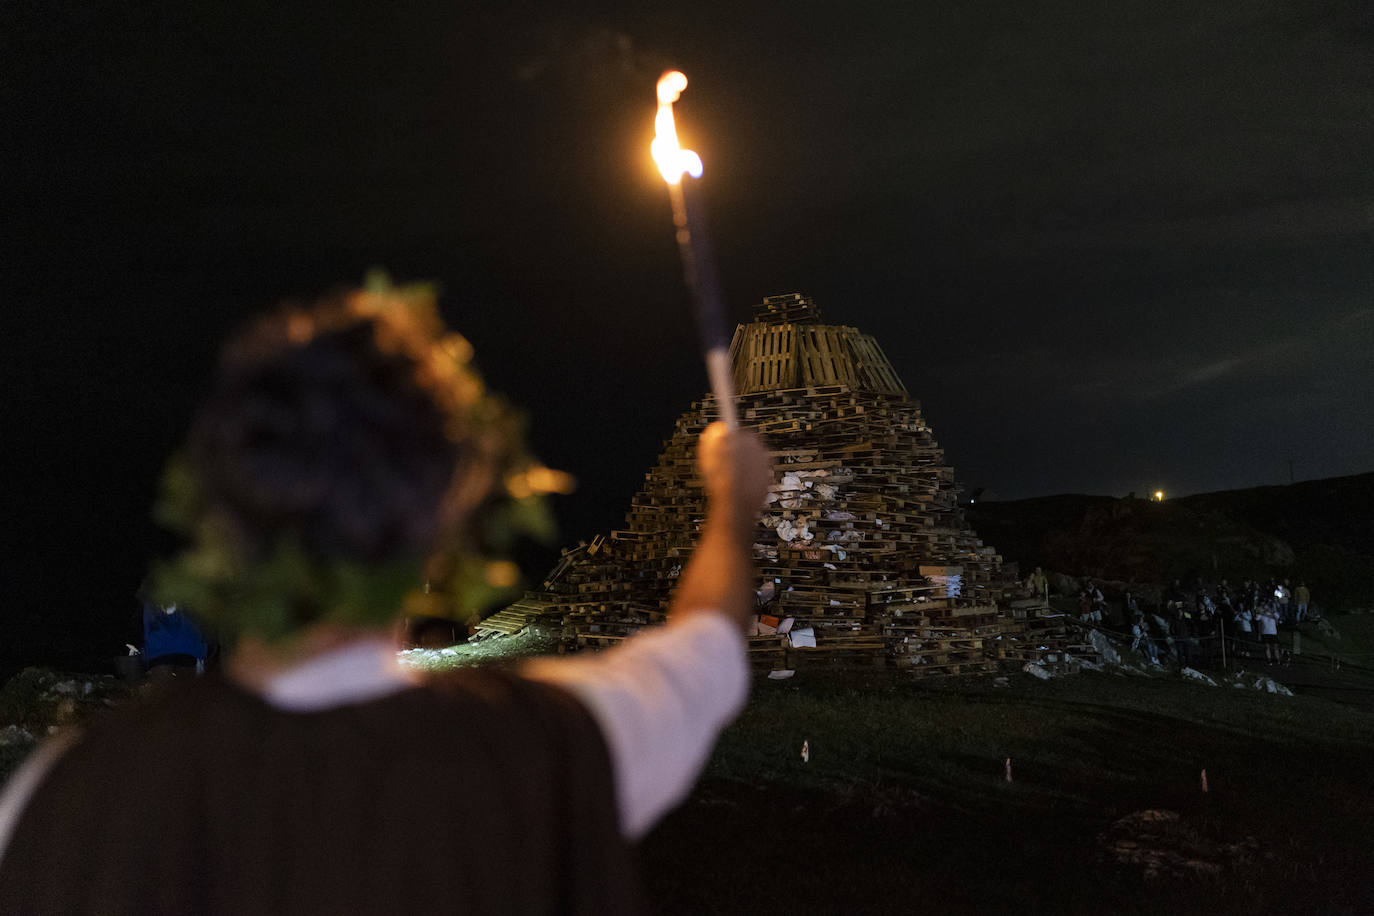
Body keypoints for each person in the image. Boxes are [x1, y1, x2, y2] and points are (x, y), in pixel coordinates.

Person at [0, 287, 775, 913]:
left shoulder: (60, 804)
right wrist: (732, 508)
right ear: (440, 524)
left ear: (218, 516)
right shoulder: (552, 747)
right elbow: (706, 641)